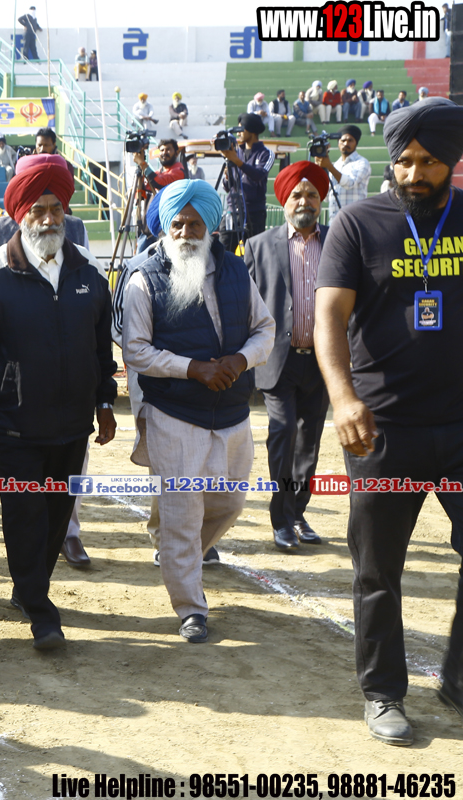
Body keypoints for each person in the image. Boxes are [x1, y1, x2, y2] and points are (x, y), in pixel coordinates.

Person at [314, 98, 463, 746]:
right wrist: (343, 398)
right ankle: (383, 694)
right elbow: (328, 316)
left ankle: (458, 678)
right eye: (403, 161)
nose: (412, 174)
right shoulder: (358, 224)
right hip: (381, 430)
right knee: (378, 569)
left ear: (451, 161)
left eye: (427, 162)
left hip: (461, 426)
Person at [0, 158, 117, 649]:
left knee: (55, 514)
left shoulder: (88, 271)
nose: (49, 219)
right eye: (39, 210)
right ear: (20, 214)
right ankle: (42, 612)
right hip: (14, 425)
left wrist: (105, 402)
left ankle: (28, 588)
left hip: (73, 423)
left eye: (56, 209)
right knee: (25, 513)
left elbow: (101, 347)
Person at [122, 179, 275, 643]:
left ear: (210, 226)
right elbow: (136, 350)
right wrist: (193, 369)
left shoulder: (235, 269)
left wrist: (239, 361)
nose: (186, 233)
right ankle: (191, 607)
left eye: (194, 224)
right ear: (165, 228)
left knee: (229, 502)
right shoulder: (143, 278)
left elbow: (265, 329)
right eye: (177, 224)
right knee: (184, 512)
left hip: (232, 412)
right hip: (175, 412)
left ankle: (174, 546)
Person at [243, 162, 330, 553]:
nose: (304, 201)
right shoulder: (259, 245)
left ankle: (298, 513)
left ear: (320, 200)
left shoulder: (337, 241)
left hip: (323, 361)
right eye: (297, 194)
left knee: (310, 442)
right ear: (284, 201)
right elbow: (245, 304)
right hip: (278, 360)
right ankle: (281, 519)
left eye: (311, 194)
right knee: (282, 435)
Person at [0, 154, 90, 253]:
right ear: (22, 211)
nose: (49, 221)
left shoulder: (78, 230)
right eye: (38, 211)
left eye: (56, 210)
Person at [220, 112, 275, 251]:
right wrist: (227, 176)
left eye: (241, 129)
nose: (238, 133)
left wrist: (237, 161)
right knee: (223, 253)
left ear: (252, 131)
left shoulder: (266, 153)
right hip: (232, 212)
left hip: (254, 214)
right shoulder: (235, 152)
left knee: (255, 254)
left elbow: (258, 175)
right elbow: (227, 187)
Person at [315, 124, 371, 222]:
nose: (346, 143)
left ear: (356, 143)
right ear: (338, 143)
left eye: (350, 140)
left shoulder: (362, 163)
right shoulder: (336, 165)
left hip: (354, 220)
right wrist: (321, 169)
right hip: (334, 221)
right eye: (343, 140)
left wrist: (329, 167)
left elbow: (350, 183)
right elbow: (326, 197)